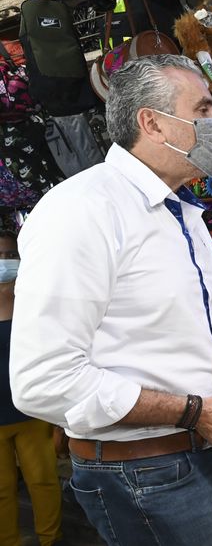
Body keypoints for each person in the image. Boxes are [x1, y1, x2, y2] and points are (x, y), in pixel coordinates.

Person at [9, 55, 212, 546]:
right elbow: (42, 381)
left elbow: (180, 335)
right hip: (141, 474)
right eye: (202, 109)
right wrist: (197, 410)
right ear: (151, 122)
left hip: (191, 459)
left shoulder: (183, 213)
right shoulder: (83, 210)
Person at [0, 230, 63, 546]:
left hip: (33, 413)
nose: (5, 262)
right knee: (1, 490)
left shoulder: (33, 303)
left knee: (44, 482)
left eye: (10, 255)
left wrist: (58, 419)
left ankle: (50, 540)